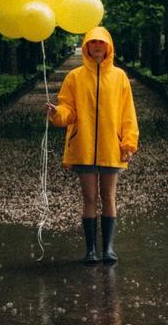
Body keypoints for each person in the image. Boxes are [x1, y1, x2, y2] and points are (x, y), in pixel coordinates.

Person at [45, 26, 139, 265]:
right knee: (89, 198)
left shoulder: (120, 78)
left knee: (108, 197)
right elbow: (68, 110)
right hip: (83, 146)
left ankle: (108, 248)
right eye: (93, 43)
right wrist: (57, 113)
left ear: (108, 47)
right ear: (86, 46)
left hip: (111, 147)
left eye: (101, 43)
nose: (97, 46)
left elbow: (128, 114)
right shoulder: (74, 77)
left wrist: (128, 143)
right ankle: (91, 250)